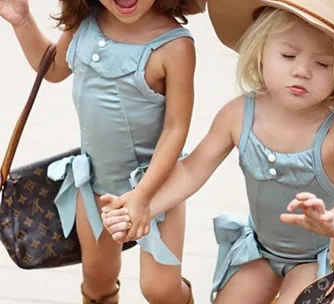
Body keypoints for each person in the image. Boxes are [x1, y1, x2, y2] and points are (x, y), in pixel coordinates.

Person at [101, 0, 334, 302]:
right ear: (259, 52)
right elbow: (193, 169)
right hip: (262, 249)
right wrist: (142, 205)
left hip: (323, 255)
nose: (302, 71)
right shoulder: (239, 114)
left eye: (323, 64)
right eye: (288, 55)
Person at [0, 0, 206, 302]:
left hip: (158, 187)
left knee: (159, 289)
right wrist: (22, 21)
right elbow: (53, 66)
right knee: (97, 279)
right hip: (96, 186)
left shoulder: (174, 46)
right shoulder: (85, 22)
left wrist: (144, 197)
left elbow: (176, 128)